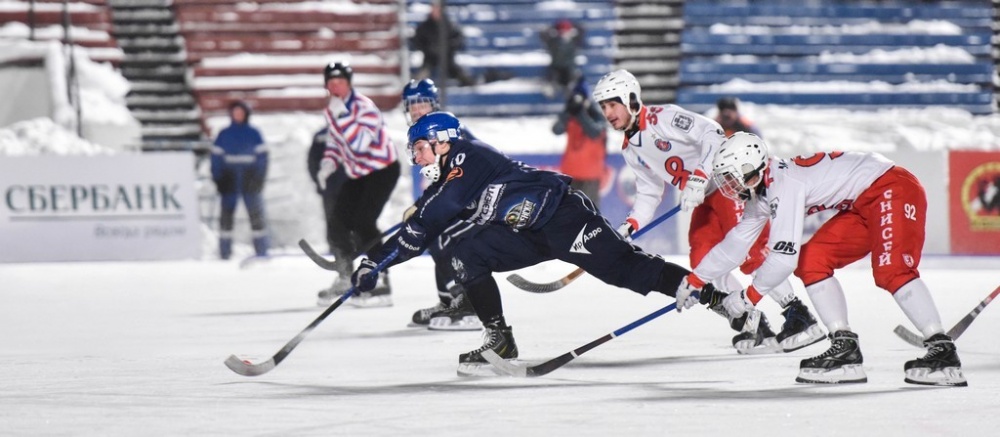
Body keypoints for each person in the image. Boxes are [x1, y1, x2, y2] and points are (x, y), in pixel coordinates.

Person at [348, 111, 726, 374]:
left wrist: (376, 261)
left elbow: (425, 222)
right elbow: (423, 231)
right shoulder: (448, 175)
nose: (416, 158)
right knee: (465, 253)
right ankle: (500, 339)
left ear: (441, 142)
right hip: (527, 233)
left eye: (419, 148)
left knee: (627, 271)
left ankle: (713, 296)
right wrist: (374, 262)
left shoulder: (465, 158)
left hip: (564, 217)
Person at [677, 132, 967, 386]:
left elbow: (782, 259)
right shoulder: (763, 191)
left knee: (891, 270)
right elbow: (736, 243)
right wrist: (695, 280)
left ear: (749, 169)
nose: (726, 186)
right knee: (812, 260)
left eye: (729, 177)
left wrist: (748, 298)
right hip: (863, 202)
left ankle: (942, 350)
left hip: (892, 187)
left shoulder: (783, 184)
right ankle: (845, 348)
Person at [591, 69, 823, 354]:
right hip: (704, 198)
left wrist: (700, 176)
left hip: (728, 184)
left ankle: (798, 316)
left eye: (612, 104)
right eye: (603, 107)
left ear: (630, 99)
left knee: (749, 254)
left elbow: (712, 132)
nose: (608, 113)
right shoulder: (630, 149)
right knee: (703, 260)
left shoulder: (663, 118)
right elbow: (650, 192)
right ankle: (752, 322)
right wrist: (630, 225)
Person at [315, 61, 401, 308]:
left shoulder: (364, 107)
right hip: (358, 173)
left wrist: (342, 116)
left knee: (364, 222)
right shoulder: (333, 110)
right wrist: (328, 163)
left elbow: (360, 144)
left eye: (340, 81)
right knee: (337, 221)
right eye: (331, 82)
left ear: (349, 83)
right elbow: (336, 142)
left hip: (382, 170)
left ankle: (380, 277)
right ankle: (345, 276)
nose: (335, 87)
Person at [401, 78, 481, 331]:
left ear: (434, 104)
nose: (417, 109)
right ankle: (449, 301)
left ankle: (469, 302)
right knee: (432, 235)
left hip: (474, 202)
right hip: (455, 200)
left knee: (444, 238)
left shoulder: (447, 129)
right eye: (412, 105)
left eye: (422, 103)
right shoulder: (421, 135)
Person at [210, 100, 269, 260]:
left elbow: (263, 158)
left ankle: (261, 251)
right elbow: (216, 158)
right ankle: (224, 252)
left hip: (250, 178)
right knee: (226, 217)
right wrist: (219, 179)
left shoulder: (254, 134)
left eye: (240, 113)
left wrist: (259, 178)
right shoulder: (224, 134)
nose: (238, 115)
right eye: (235, 112)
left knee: (256, 216)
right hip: (229, 179)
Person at [552, 77, 607, 209]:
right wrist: (568, 111)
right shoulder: (571, 114)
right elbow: (556, 130)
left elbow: (594, 132)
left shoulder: (596, 115)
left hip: (590, 175)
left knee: (590, 212)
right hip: (570, 173)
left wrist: (581, 113)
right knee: (569, 212)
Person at [412, 0, 474, 87]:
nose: (436, 11)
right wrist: (429, 48)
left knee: (458, 72)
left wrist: (449, 47)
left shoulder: (449, 25)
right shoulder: (425, 26)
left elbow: (457, 39)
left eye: (438, 9)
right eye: (434, 8)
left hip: (447, 58)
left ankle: (470, 84)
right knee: (424, 73)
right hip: (430, 57)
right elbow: (418, 41)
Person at [307, 126, 348, 257]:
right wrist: (318, 180)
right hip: (333, 186)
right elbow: (313, 161)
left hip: (346, 185)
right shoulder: (321, 136)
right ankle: (336, 247)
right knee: (334, 217)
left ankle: (351, 246)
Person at [539, 19, 584, 98]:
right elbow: (542, 34)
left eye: (566, 31)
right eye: (561, 31)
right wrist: (552, 28)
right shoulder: (553, 42)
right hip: (556, 67)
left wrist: (573, 25)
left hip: (569, 68)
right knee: (552, 75)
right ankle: (551, 90)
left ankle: (570, 91)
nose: (564, 33)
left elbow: (582, 30)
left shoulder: (574, 41)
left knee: (572, 75)